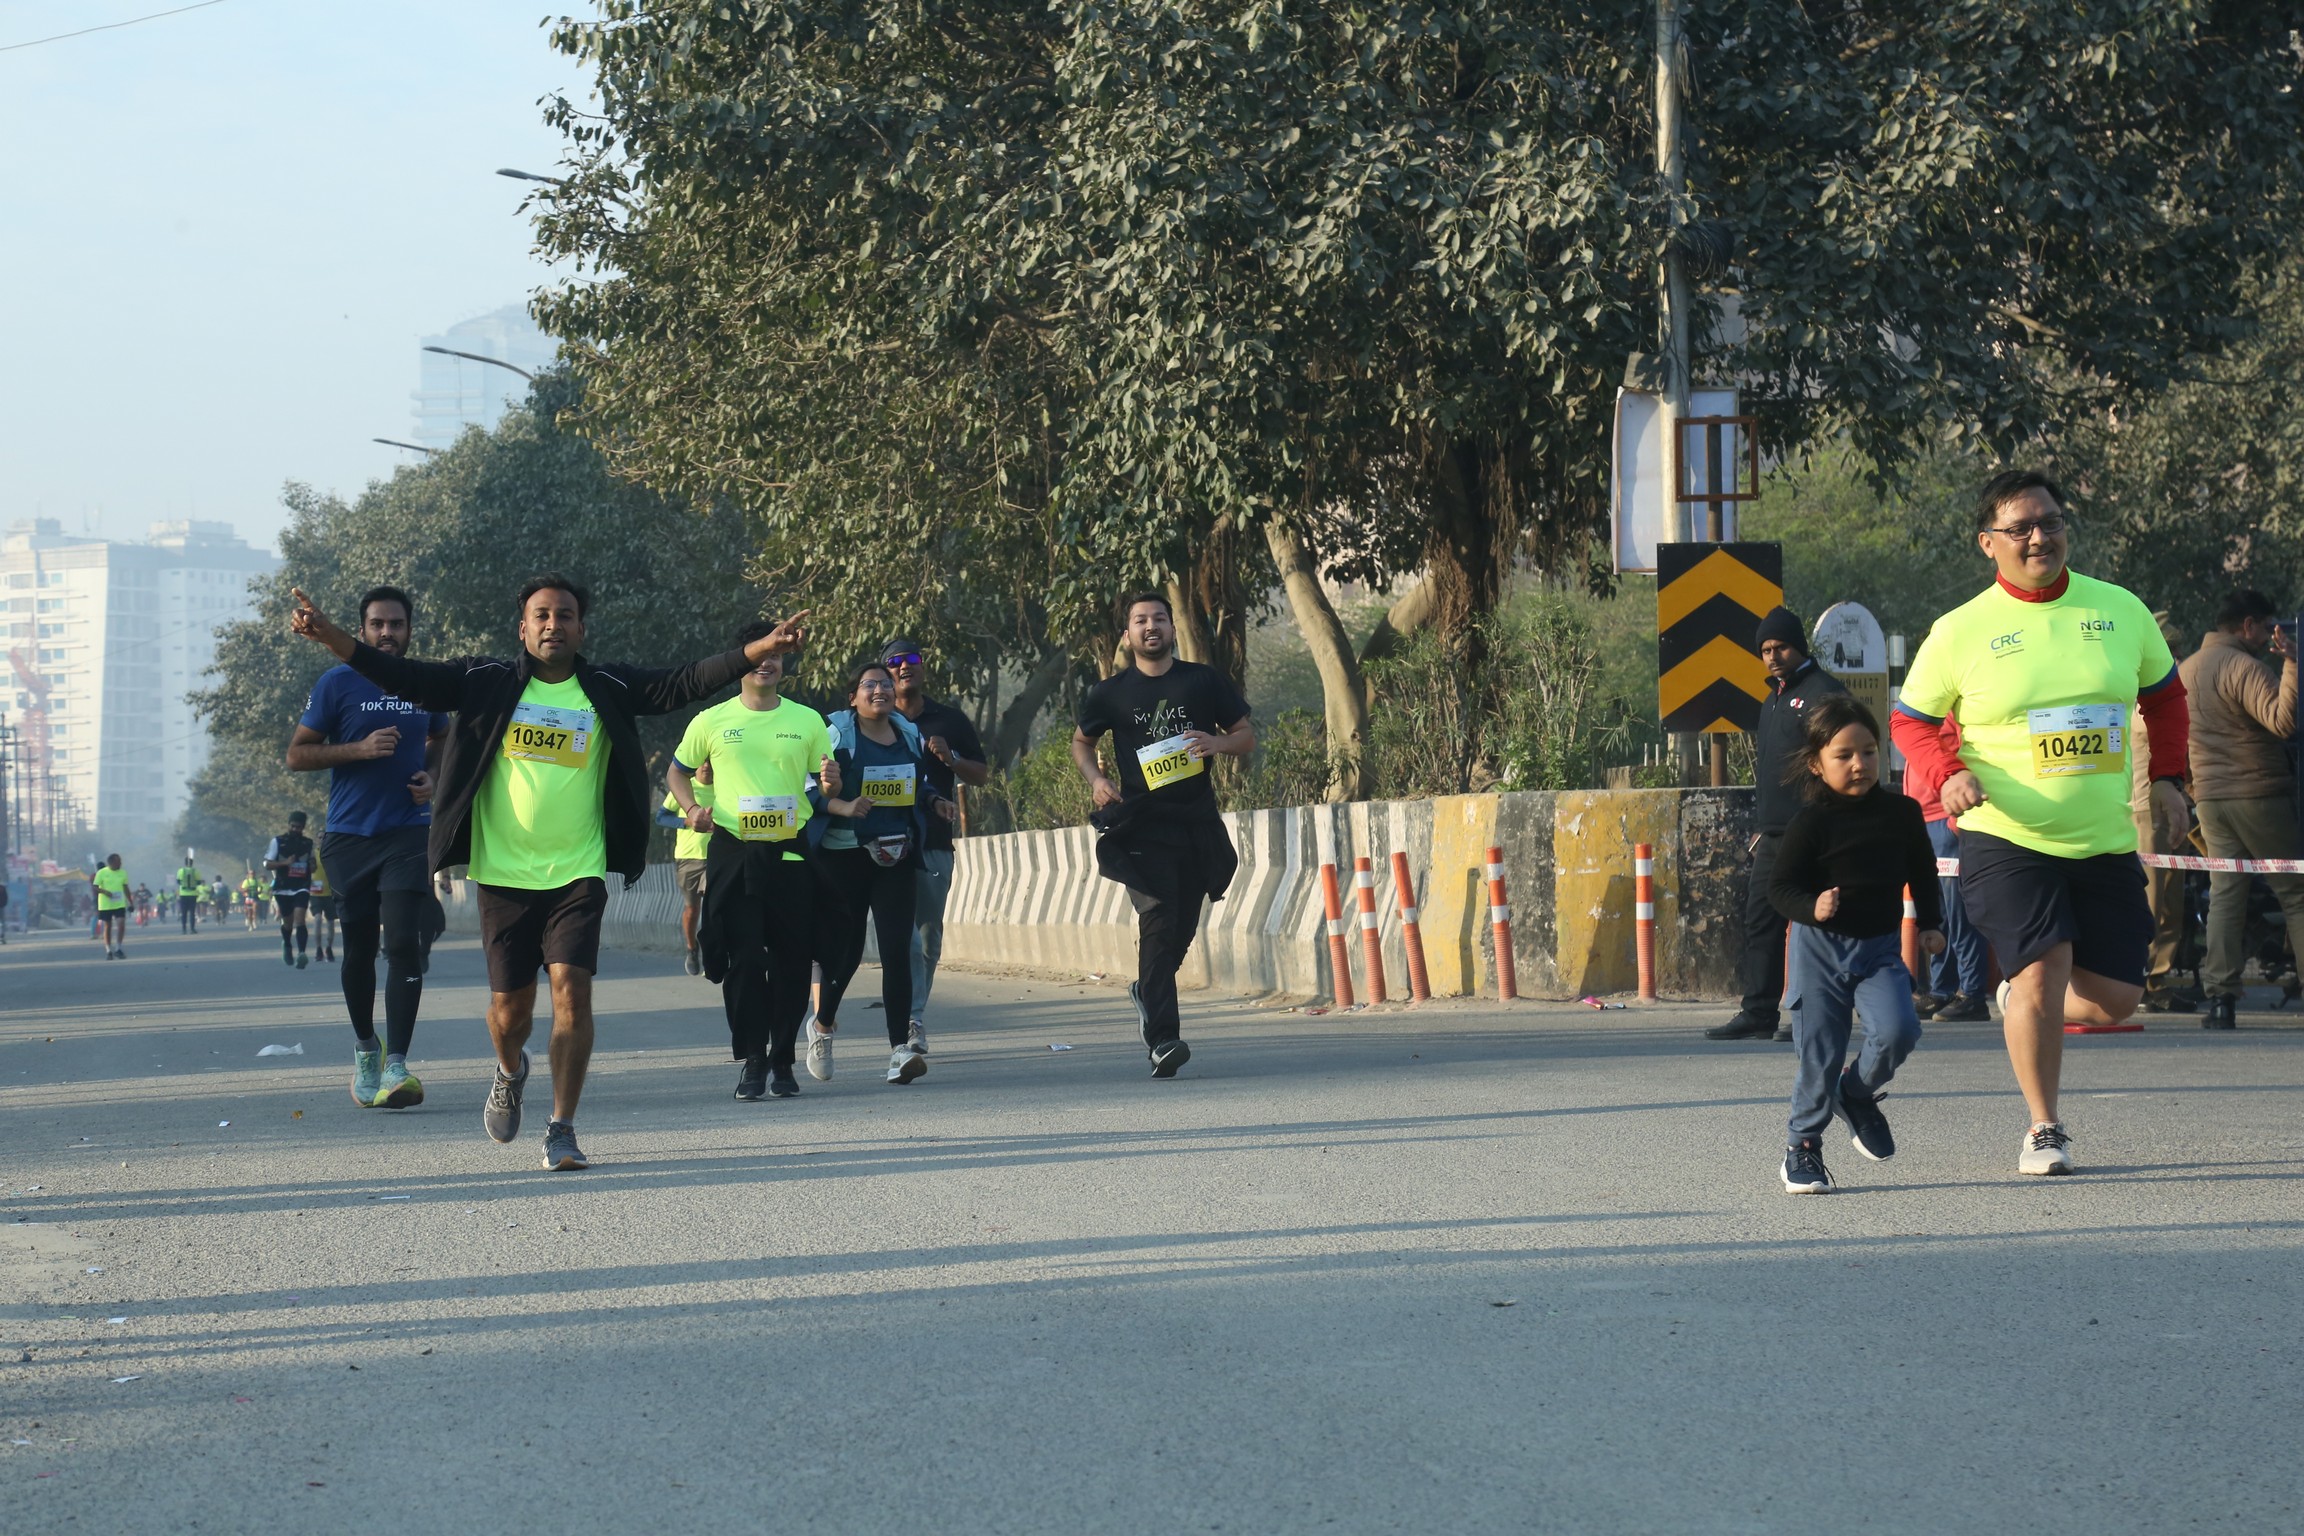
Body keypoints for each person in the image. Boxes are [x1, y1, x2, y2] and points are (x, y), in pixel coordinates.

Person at [289, 576, 807, 1170]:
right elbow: (404, 676)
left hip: (578, 871)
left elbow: (685, 679)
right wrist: (332, 637)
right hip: (504, 875)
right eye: (541, 614)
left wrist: (759, 649)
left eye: (565, 615)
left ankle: (562, 1127)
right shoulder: (485, 681)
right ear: (523, 628)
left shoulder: (607, 686)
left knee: (572, 994)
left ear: (581, 629)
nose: (553, 624)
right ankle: (510, 1069)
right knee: (510, 1014)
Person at [1891, 470, 2188, 1176]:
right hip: (2006, 834)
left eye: (2050, 522)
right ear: (1987, 542)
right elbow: (1911, 721)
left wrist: (2168, 779)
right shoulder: (1959, 630)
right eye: (2020, 527)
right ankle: (2044, 1127)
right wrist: (1948, 773)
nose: (2038, 538)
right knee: (2043, 969)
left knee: (2117, 999)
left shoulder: (2120, 609)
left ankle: (2022, 996)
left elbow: (2165, 698)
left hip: (2104, 837)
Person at [1071, 592, 1256, 1077]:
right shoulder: (1109, 693)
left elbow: (1245, 735)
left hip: (1196, 823)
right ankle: (1164, 1039)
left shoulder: (1202, 680)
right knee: (1156, 919)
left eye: (1159, 618)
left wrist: (1217, 741)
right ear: (1127, 634)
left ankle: (1146, 991)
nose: (1150, 626)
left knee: (1181, 928)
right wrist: (1096, 780)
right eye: (1140, 620)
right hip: (1140, 825)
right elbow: (1082, 742)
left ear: (1173, 629)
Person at [1769, 697, 1943, 1192]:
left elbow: (1923, 872)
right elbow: (1780, 889)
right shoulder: (1810, 822)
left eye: (1868, 751)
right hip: (1819, 952)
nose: (1859, 764)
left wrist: (1931, 923)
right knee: (1819, 1055)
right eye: (1843, 755)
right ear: (1816, 763)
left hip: (1880, 949)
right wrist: (1813, 907)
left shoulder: (1902, 813)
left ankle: (1856, 1092)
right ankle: (1802, 1145)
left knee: (1899, 1030)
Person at [288, 585, 449, 1110]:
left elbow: (442, 738)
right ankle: (366, 1048)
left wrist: (433, 777)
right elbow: (297, 755)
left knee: (403, 942)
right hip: (349, 838)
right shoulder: (336, 682)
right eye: (377, 624)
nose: (387, 633)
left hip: (408, 831)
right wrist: (358, 749)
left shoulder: (423, 682)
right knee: (358, 948)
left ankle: (397, 1064)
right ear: (361, 630)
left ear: (409, 630)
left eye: (396, 624)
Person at [667, 626, 835, 1100]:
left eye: (777, 656)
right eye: (760, 654)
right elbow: (677, 771)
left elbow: (828, 785)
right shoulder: (711, 720)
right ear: (742, 660)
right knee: (742, 959)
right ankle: (753, 1059)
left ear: (784, 664)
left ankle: (782, 1059)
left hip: (789, 851)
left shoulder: (807, 720)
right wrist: (691, 809)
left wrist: (831, 782)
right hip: (733, 851)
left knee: (791, 960)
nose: (767, 663)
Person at [808, 660, 955, 1088]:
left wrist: (935, 802)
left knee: (897, 950)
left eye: (885, 684)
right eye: (869, 685)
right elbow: (809, 791)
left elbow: (917, 782)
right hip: (845, 856)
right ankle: (822, 1025)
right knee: (847, 952)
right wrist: (840, 802)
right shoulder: (836, 735)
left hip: (896, 854)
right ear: (852, 697)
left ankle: (898, 1050)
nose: (880, 691)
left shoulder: (908, 733)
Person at [1707, 606, 1847, 1042]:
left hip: (1812, 828)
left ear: (1798, 646)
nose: (1772, 656)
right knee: (1760, 920)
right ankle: (1758, 1011)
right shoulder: (1773, 700)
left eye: (1781, 647)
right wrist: (1762, 823)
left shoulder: (1824, 693)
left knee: (1811, 925)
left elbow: (1841, 762)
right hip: (1772, 832)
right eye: (1765, 650)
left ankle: (1811, 1013)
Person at [2179, 589, 2303, 1030]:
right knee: (2296, 892)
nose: (2271, 636)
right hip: (2259, 795)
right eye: (2267, 627)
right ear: (2247, 626)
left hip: (2211, 801)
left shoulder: (2187, 671)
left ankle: (2221, 1002)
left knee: (2226, 896)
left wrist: (2194, 790)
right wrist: (2292, 663)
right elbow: (2282, 721)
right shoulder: (2242, 667)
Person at [882, 637, 990, 1055]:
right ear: (884, 674)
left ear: (923, 667)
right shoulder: (875, 718)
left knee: (927, 937)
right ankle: (899, 1017)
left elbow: (981, 775)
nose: (903, 667)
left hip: (934, 841)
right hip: (884, 841)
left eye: (911, 659)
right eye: (894, 662)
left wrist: (951, 759)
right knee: (902, 938)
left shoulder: (949, 719)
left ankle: (914, 1018)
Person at [2132, 610, 2198, 1013]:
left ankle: (2155, 978)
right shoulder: (2143, 689)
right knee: (2153, 900)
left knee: (2168, 899)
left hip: (2163, 804)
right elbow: (2159, 727)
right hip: (2146, 808)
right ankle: (2143, 979)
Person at [1903, 716, 1989, 1022]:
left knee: (1960, 915)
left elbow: (1971, 754)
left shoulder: (1956, 711)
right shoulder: (1924, 712)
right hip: (1924, 819)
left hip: (1946, 817)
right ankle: (1942, 990)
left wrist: (1957, 818)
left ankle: (1972, 992)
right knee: (1939, 916)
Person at [664, 760, 717, 977]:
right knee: (692, 909)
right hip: (688, 858)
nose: (706, 766)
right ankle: (691, 948)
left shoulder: (724, 787)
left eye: (710, 762)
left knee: (714, 906)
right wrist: (688, 821)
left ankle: (713, 954)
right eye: (702, 762)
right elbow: (662, 817)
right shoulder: (685, 787)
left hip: (717, 856)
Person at [264, 811, 319, 968]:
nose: (295, 829)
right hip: (283, 887)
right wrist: (285, 863)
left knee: (300, 920)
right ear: (288, 825)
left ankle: (302, 953)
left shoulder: (308, 843)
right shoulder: (278, 841)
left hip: (301, 886)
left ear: (303, 827)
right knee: (288, 923)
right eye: (293, 826)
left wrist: (312, 866)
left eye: (299, 827)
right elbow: (267, 864)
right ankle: (287, 944)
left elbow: (313, 863)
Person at [92, 854, 130, 959]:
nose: (121, 863)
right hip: (106, 904)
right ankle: (108, 950)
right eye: (119, 861)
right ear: (112, 863)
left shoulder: (123, 873)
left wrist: (130, 901)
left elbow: (126, 888)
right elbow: (95, 887)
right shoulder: (101, 873)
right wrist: (105, 892)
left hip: (119, 904)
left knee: (121, 924)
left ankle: (118, 948)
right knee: (108, 926)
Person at [310, 854, 337, 963]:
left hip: (329, 893)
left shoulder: (331, 852)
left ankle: (329, 948)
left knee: (330, 923)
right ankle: (318, 949)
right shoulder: (313, 853)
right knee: (317, 919)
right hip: (315, 893)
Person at [174, 854, 203, 935]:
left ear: (185, 863)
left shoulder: (181, 871)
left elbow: (178, 881)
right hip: (193, 894)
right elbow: (199, 882)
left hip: (183, 894)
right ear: (192, 863)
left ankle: (184, 929)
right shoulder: (196, 871)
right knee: (192, 912)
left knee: (184, 913)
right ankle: (192, 929)